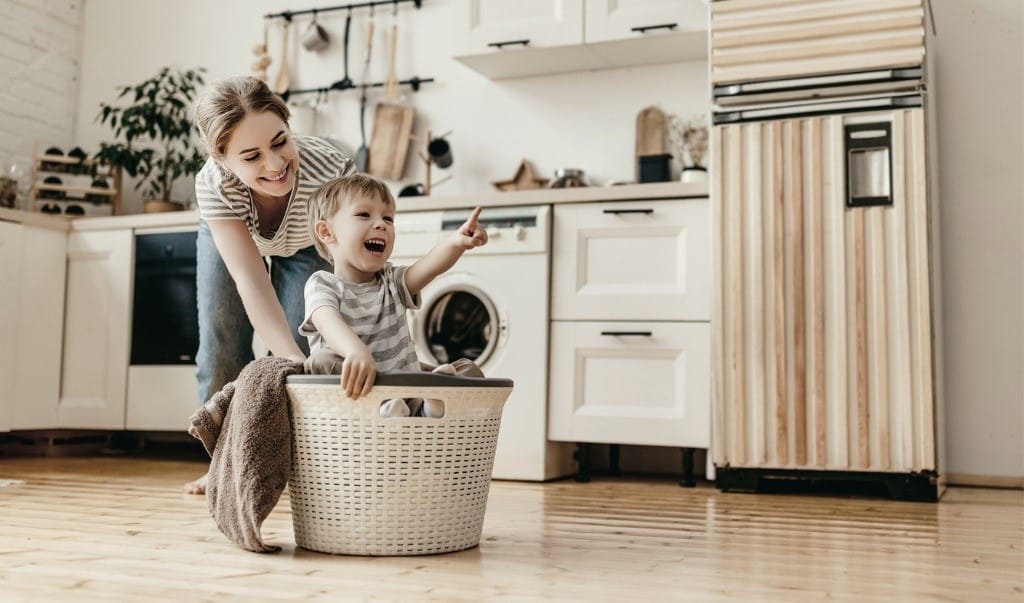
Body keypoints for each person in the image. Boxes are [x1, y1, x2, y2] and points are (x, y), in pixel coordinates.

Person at [185, 76, 354, 494]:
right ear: (224, 160)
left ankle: (296, 467)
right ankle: (225, 464)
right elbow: (249, 279)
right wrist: (289, 359)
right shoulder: (214, 185)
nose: (275, 164)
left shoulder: (332, 169)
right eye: (252, 156)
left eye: (280, 142)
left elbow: (350, 260)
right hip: (236, 234)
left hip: (308, 243)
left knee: (307, 346)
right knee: (222, 340)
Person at [300, 173, 487, 417]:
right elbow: (327, 322)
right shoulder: (322, 284)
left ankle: (429, 406)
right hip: (358, 395)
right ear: (326, 232)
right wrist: (355, 351)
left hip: (407, 388)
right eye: (364, 215)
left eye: (388, 218)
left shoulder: (391, 282)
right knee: (319, 363)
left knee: (468, 371)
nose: (381, 224)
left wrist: (456, 243)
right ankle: (396, 408)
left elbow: (429, 266)